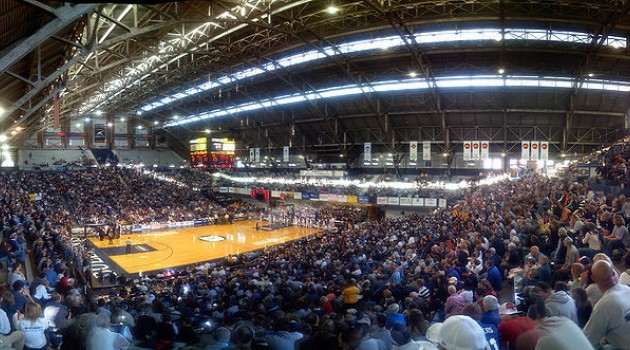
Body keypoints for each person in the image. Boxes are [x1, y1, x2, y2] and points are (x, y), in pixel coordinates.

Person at [583, 260, 630, 349]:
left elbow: (588, 340)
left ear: (593, 277)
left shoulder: (604, 305)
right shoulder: (627, 289)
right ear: (613, 273)